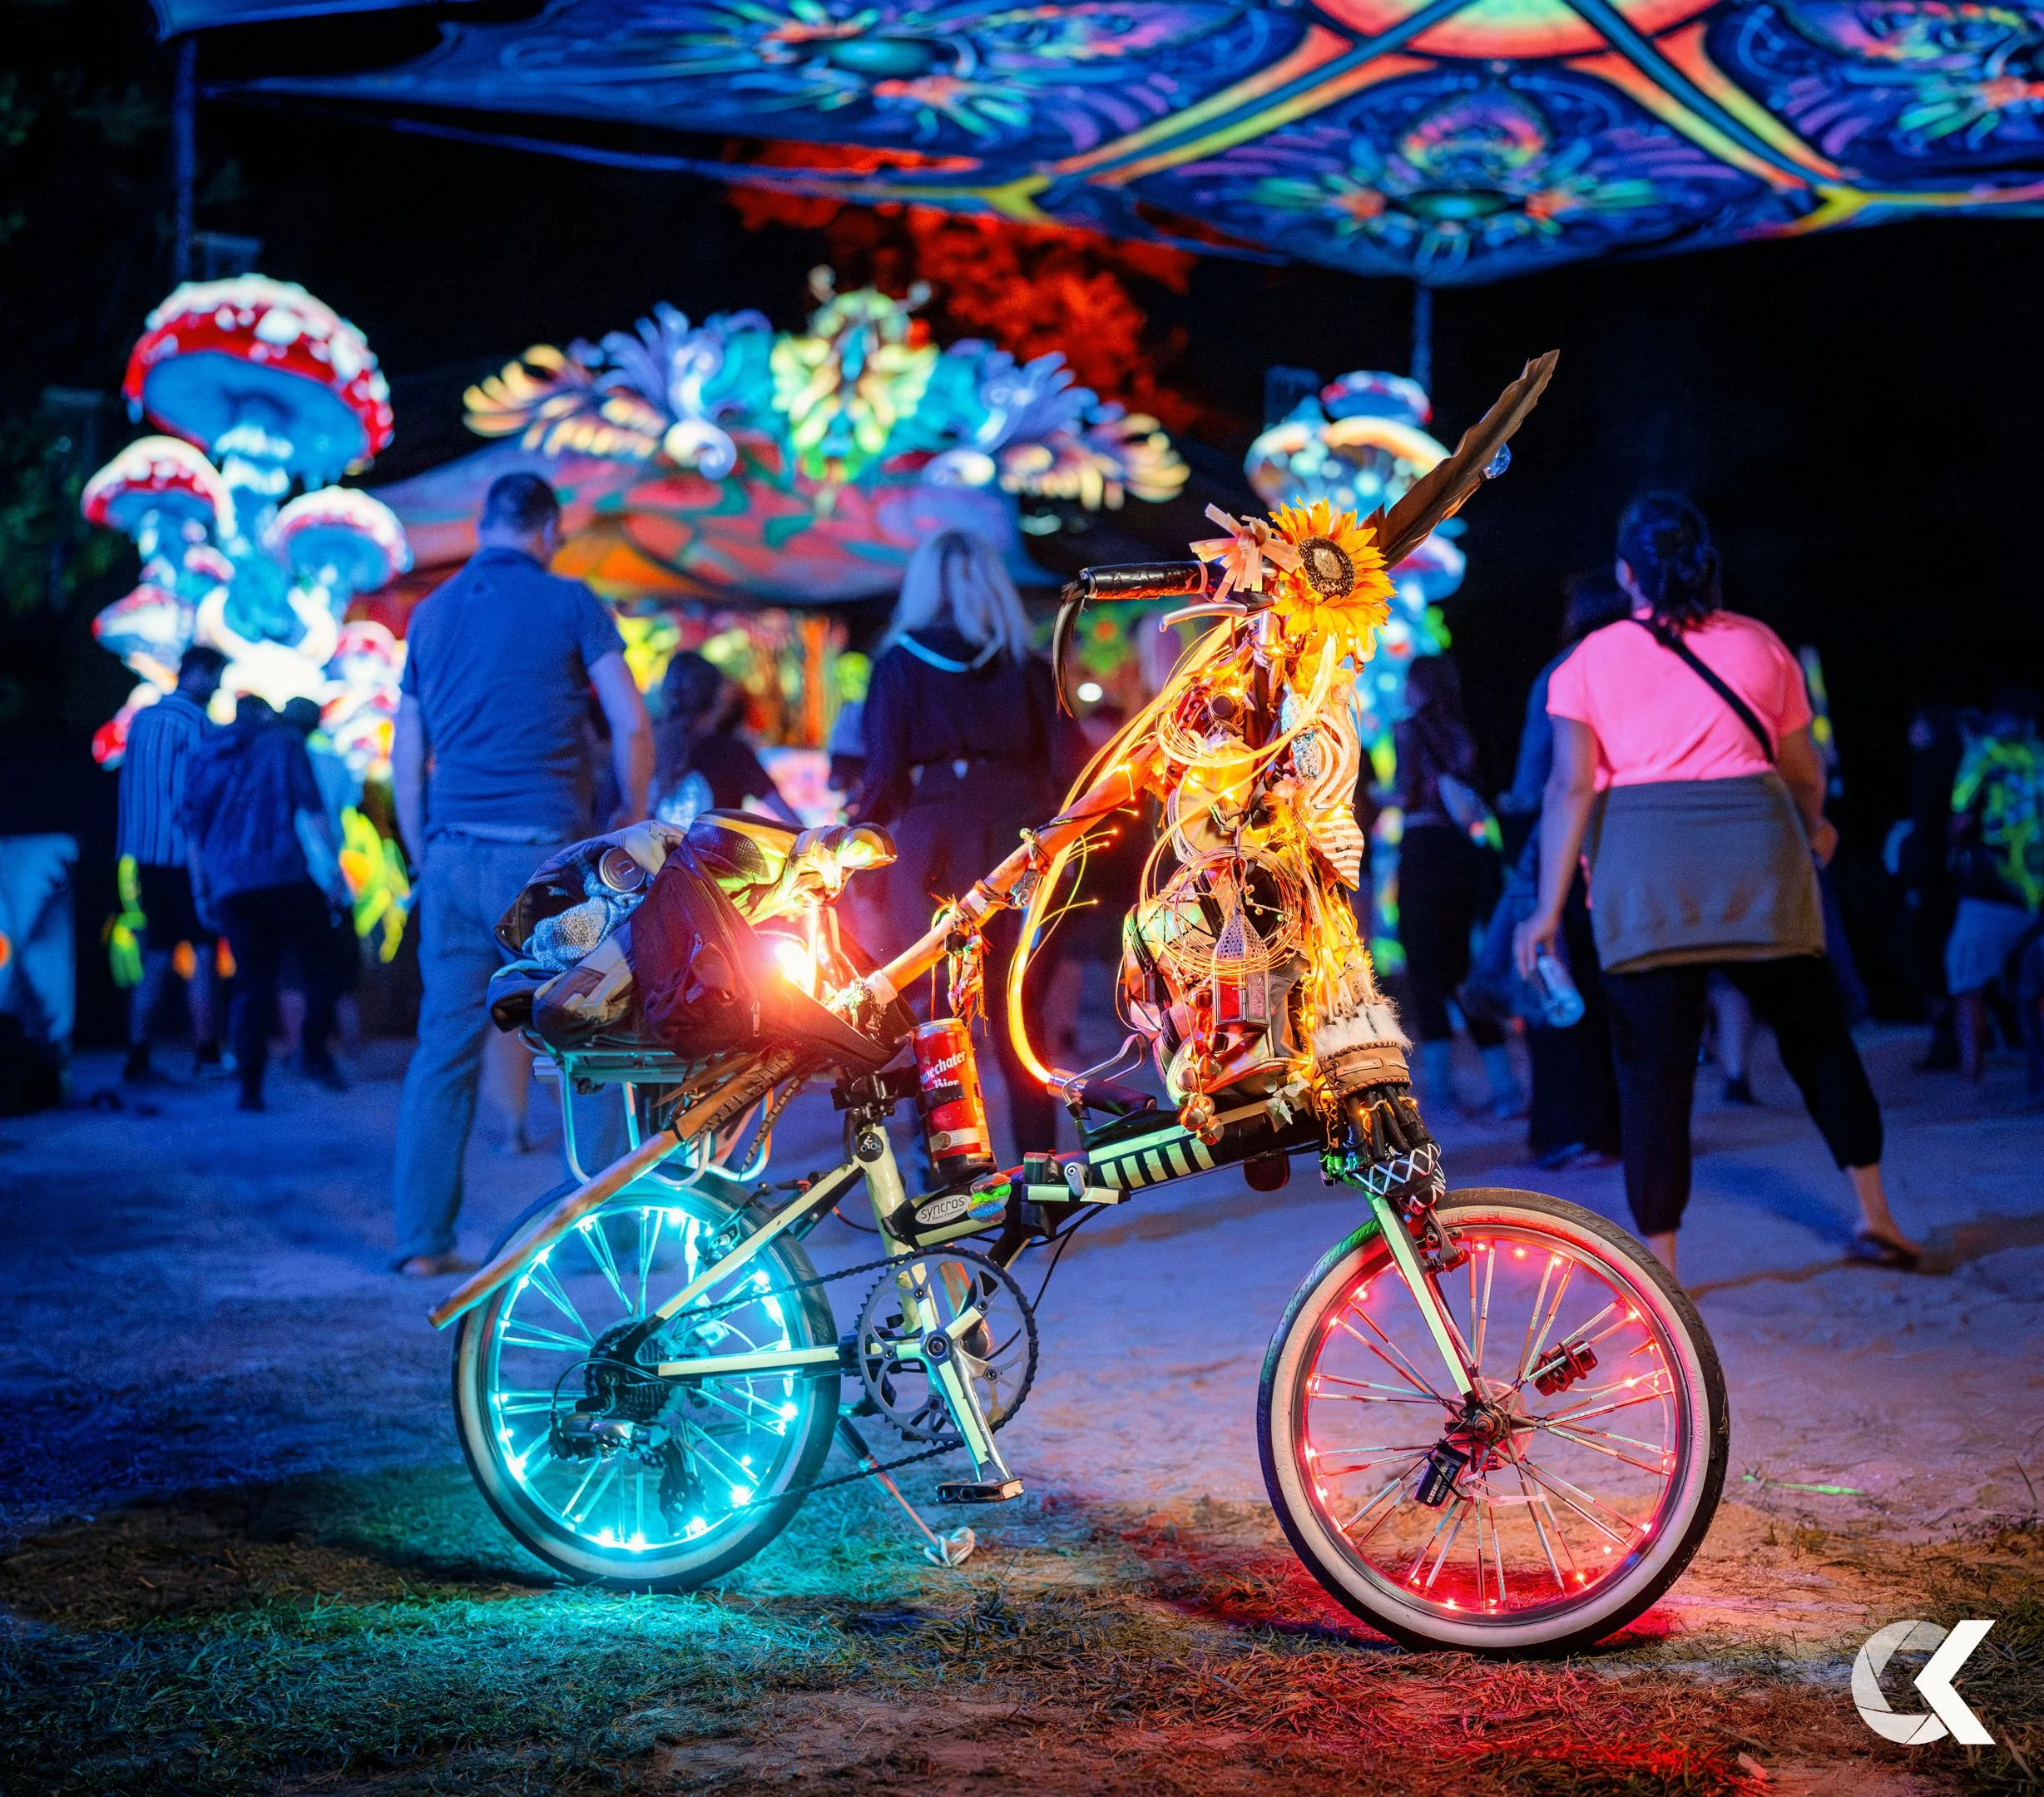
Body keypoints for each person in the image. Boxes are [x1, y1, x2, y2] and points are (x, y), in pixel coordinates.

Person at [1514, 494, 1918, 1278]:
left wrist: (1546, 909)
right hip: (1759, 859)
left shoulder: (1588, 661)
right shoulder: (1761, 646)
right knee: (1818, 1042)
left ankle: (1662, 1266)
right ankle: (1877, 1214)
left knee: (1653, 1074)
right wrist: (1816, 827)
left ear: (1627, 572)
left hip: (1643, 866)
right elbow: (1804, 773)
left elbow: (1569, 790)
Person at [389, 473, 653, 1278]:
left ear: (483, 525)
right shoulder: (571, 601)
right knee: (590, 1041)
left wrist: (420, 853)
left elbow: (406, 750)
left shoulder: (430, 615)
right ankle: (604, 1243)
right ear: (545, 530)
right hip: (542, 858)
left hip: (450, 854)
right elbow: (632, 721)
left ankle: (421, 1242)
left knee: (444, 1046)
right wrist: (631, 826)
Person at [854, 529, 1067, 1162]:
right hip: (1019, 841)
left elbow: (884, 776)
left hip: (932, 845)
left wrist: (854, 854)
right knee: (1019, 1015)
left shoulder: (898, 666)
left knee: (937, 1020)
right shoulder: (1029, 667)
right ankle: (1040, 1173)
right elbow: (1064, 769)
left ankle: (950, 1177)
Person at [1494, 573, 1629, 1163]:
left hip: (1567, 848)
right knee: (1623, 988)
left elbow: (1540, 780)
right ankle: (1622, 1126)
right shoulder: (1645, 662)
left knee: (1556, 985)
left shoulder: (1562, 672)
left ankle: (1565, 1126)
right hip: (1636, 844)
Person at [181, 696, 347, 1110]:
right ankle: (313, 1054)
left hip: (231, 887)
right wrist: (336, 875)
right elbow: (313, 810)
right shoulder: (285, 742)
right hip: (284, 876)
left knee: (250, 985)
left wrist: (202, 890)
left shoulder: (206, 752)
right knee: (322, 969)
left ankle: (250, 1088)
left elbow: (194, 833)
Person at [1393, 653, 1521, 1119]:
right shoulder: (1465, 729)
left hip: (1424, 850)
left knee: (1427, 972)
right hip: (1464, 852)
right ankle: (1505, 1085)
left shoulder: (1409, 729)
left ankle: (1442, 1094)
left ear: (1419, 687)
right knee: (1464, 969)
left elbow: (1407, 792)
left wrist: (1380, 798)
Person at [117, 645, 228, 1081]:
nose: (218, 687)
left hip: (144, 855)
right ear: (198, 673)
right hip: (186, 858)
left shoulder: (142, 720)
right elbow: (196, 805)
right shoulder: (197, 723)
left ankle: (137, 1055)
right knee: (203, 953)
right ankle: (207, 1055)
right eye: (216, 677)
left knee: (158, 956)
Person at [1944, 686, 2043, 1080]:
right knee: (2031, 984)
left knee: (1967, 978)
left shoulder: (1984, 753)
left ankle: (1971, 1072)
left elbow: (1961, 817)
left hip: (1994, 887)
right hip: (2036, 891)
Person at [651, 651, 802, 826]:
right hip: (714, 854)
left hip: (651, 854)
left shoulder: (644, 751)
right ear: (717, 697)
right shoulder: (732, 754)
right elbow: (794, 824)